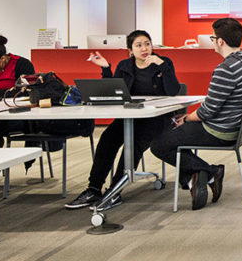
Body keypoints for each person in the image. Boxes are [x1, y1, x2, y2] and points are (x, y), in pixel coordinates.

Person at [65, 30, 182, 209]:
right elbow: (114, 91)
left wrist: (163, 66)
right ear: (130, 50)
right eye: (139, 45)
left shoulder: (163, 63)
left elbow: (173, 91)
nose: (144, 49)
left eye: (147, 44)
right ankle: (94, 189)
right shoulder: (125, 65)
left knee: (132, 145)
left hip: (155, 119)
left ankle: (115, 190)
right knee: (107, 140)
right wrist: (105, 68)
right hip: (130, 116)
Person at [150, 17, 242, 210]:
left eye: (213, 38)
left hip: (220, 131)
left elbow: (208, 111)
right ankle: (197, 178)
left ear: (220, 41)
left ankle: (210, 173)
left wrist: (187, 117)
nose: (212, 42)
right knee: (177, 138)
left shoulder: (225, 69)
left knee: (160, 144)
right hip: (236, 129)